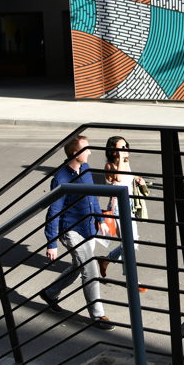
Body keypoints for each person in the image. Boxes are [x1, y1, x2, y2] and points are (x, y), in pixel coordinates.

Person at [38, 135, 114, 331]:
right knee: (90, 270)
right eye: (86, 149)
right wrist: (52, 243)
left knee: (78, 265)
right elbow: (54, 211)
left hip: (87, 227)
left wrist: (100, 219)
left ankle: (50, 293)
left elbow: (92, 196)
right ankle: (98, 315)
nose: (90, 152)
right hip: (71, 230)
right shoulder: (61, 178)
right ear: (75, 153)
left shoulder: (86, 169)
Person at [99, 136, 148, 287]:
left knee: (132, 242)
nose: (125, 149)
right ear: (113, 151)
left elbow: (127, 179)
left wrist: (138, 180)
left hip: (130, 204)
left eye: (126, 146)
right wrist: (121, 159)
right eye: (121, 147)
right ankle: (131, 279)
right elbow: (119, 178)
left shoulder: (126, 162)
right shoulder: (109, 166)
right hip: (118, 207)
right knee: (128, 243)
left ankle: (106, 260)